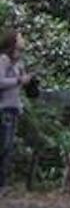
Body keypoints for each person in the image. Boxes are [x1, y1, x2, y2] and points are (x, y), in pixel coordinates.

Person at [0, 31, 32, 191]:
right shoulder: (4, 60)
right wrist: (19, 79)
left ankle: (3, 183)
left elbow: (19, 88)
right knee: (3, 145)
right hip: (3, 108)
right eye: (20, 37)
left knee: (9, 147)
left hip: (14, 108)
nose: (23, 40)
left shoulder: (19, 62)